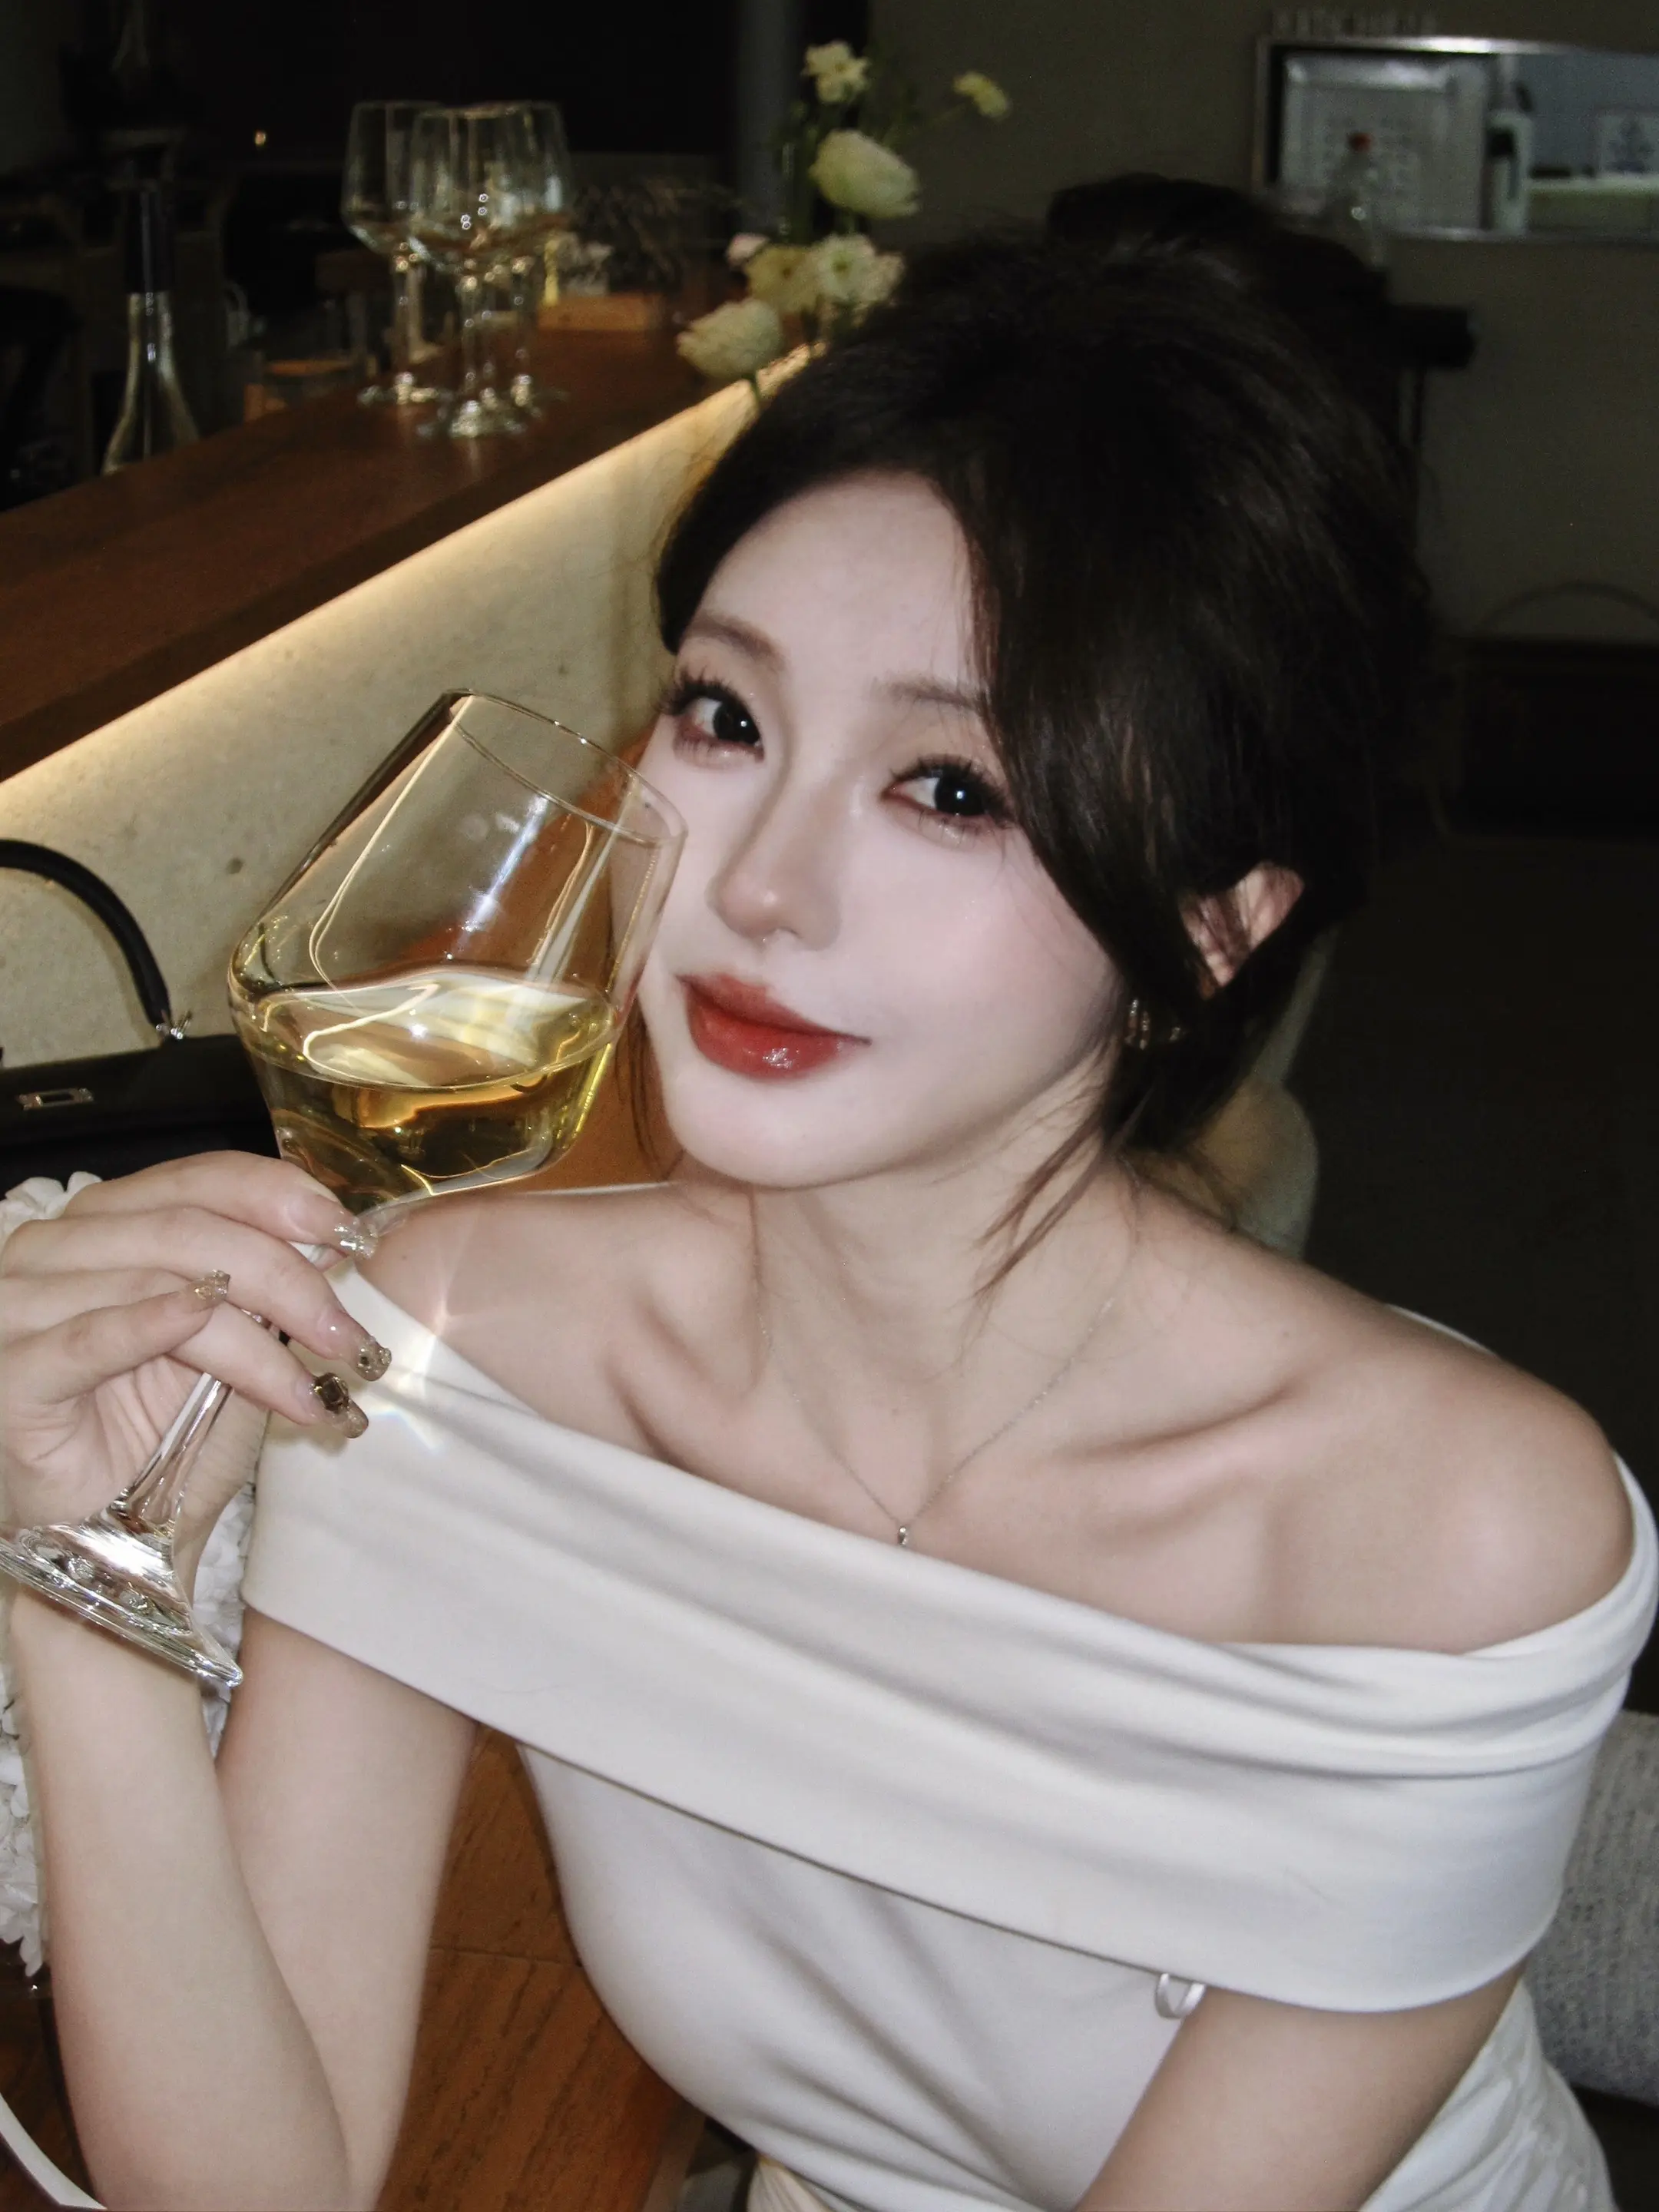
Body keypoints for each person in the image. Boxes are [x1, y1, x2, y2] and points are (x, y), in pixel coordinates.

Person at [2, 228, 1653, 2212]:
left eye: (952, 789)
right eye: (728, 717)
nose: (762, 889)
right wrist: (78, 1578)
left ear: (1214, 929)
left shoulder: (1448, 1531)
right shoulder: (453, 1350)